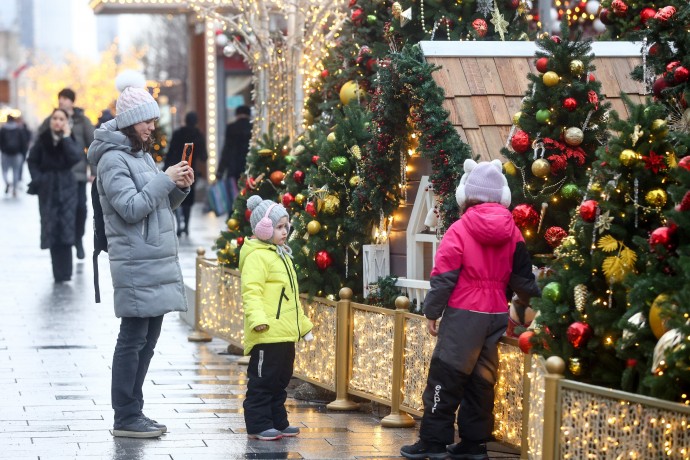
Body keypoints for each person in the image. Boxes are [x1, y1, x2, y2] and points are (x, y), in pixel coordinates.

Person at [400, 159, 540, 460]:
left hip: (464, 313)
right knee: (482, 381)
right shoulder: (513, 232)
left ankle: (433, 442)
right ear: (501, 196)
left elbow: (444, 275)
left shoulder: (460, 229)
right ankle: (474, 444)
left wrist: (432, 311)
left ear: (466, 196)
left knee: (445, 377)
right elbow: (523, 278)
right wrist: (534, 306)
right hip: (495, 314)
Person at [86, 71, 193, 438]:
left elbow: (158, 204)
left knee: (147, 341)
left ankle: (135, 411)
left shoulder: (139, 155)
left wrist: (178, 187)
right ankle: (125, 415)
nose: (152, 126)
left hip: (152, 260)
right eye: (148, 120)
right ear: (132, 121)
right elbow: (131, 209)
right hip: (135, 262)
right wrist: (165, 178)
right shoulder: (113, 161)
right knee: (133, 340)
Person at [239, 195, 314, 441]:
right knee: (263, 380)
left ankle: (277, 421)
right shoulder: (256, 256)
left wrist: (303, 326)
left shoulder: (281, 254)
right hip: (266, 332)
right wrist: (257, 319)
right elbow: (252, 292)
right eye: (279, 227)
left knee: (280, 379)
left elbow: (291, 297)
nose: (285, 231)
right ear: (264, 228)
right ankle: (258, 424)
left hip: (284, 332)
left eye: (285, 226)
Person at [39, 88, 95, 260]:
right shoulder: (52, 119)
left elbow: (92, 145)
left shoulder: (82, 120)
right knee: (59, 211)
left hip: (77, 175)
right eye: (60, 98)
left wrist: (93, 171)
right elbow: (41, 139)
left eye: (65, 98)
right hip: (57, 175)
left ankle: (77, 238)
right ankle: (64, 243)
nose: (62, 101)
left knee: (80, 209)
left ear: (72, 101)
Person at [26, 109, 81, 282]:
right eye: (55, 118)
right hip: (47, 188)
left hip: (67, 187)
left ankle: (66, 272)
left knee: (66, 227)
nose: (58, 122)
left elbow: (75, 157)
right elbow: (32, 160)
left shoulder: (69, 139)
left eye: (61, 119)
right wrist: (39, 179)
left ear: (66, 122)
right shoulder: (42, 139)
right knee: (51, 228)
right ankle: (57, 273)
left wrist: (65, 137)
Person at [163, 111, 208, 236]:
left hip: (176, 170)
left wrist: (167, 168)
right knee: (188, 200)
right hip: (190, 172)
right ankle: (186, 226)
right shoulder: (198, 135)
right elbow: (204, 157)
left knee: (176, 197)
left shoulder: (178, 133)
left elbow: (170, 152)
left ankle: (178, 225)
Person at [217, 105, 251, 206]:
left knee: (233, 197)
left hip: (233, 167)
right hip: (248, 167)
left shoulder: (231, 128)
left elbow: (226, 149)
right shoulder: (252, 127)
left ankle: (233, 217)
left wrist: (220, 171)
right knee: (248, 195)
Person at [1, 114, 29, 196]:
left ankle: (7, 183)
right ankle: (14, 189)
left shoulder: (3, 129)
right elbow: (23, 142)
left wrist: (3, 149)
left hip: (5, 154)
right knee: (16, 171)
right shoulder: (18, 129)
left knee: (4, 171)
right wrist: (23, 153)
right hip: (17, 154)